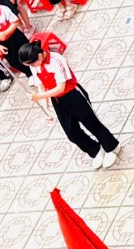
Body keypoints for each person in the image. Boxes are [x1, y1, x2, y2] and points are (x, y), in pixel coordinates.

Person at [22, 39, 121, 170]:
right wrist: (46, 107)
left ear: (39, 56)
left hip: (73, 95)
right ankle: (95, 150)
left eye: (32, 64)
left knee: (92, 123)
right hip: (57, 100)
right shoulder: (34, 65)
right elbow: (41, 86)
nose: (32, 67)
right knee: (71, 132)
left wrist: (38, 97)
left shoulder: (56, 60)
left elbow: (60, 87)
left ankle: (112, 147)